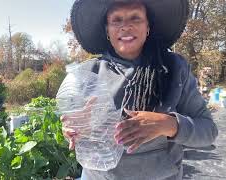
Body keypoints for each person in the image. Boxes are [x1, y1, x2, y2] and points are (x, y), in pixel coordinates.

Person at [60, 0, 218, 179]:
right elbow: (73, 129)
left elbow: (208, 131)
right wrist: (73, 132)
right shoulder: (87, 74)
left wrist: (169, 125)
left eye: (135, 18)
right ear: (107, 30)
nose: (125, 26)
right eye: (116, 20)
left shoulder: (175, 68)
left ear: (148, 26)